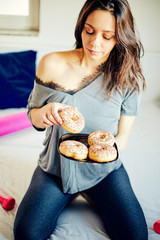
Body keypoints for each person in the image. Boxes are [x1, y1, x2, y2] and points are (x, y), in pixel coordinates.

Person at [14, 0, 148, 239]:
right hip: (55, 168)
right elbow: (33, 115)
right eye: (90, 30)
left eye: (107, 36)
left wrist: (105, 151)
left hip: (103, 171)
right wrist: (44, 113)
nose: (95, 43)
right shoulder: (51, 63)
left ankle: (92, 192)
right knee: (26, 234)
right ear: (81, 27)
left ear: (120, 38)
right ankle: (70, 194)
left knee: (136, 236)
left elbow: (122, 138)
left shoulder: (128, 78)